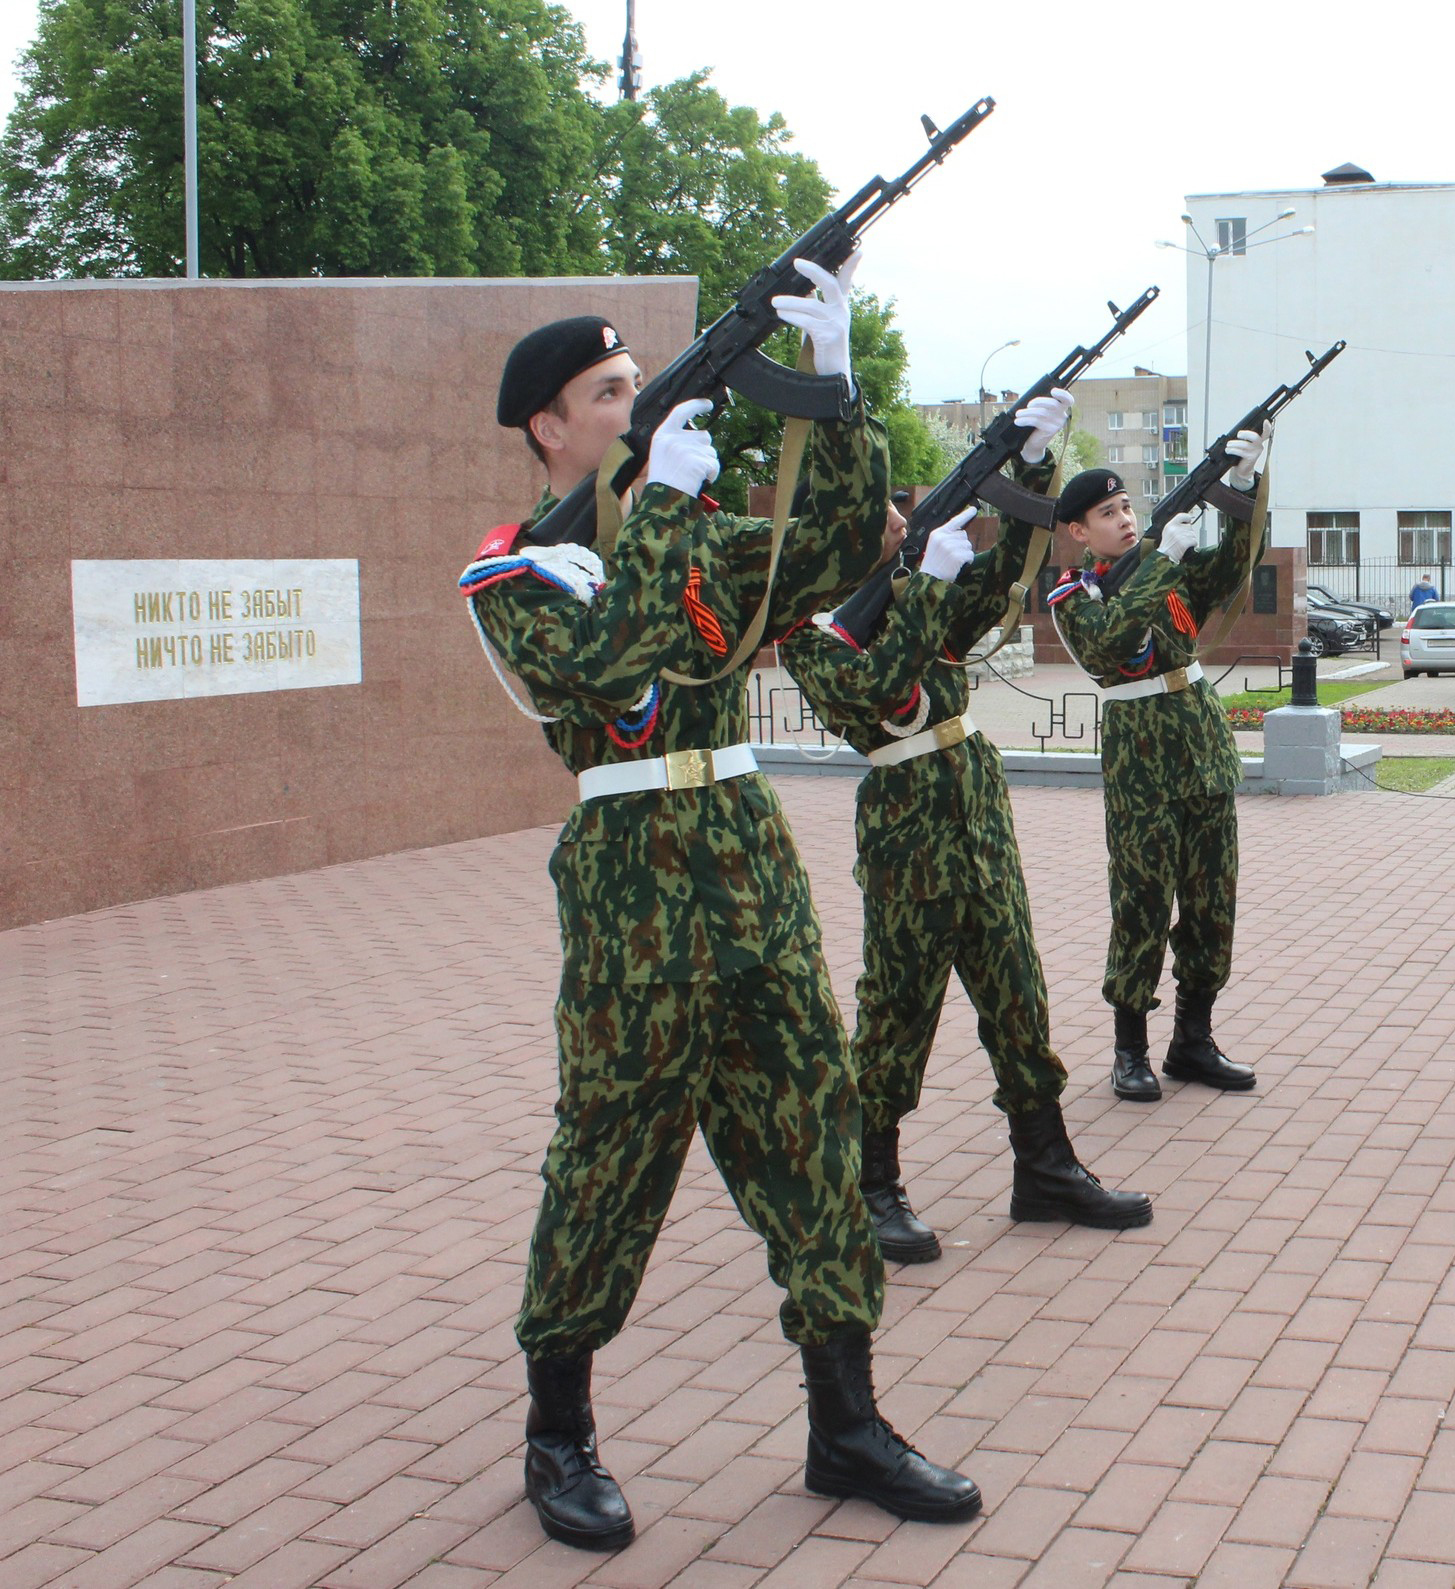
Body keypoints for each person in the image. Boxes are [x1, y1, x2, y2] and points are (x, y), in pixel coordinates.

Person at [459, 260, 980, 1549]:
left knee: (814, 1139)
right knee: (607, 1167)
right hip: (635, 904)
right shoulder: (518, 575)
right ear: (548, 427)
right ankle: (559, 1429)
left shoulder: (684, 526)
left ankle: (846, 1422)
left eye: (639, 381)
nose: (634, 401)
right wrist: (665, 511)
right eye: (609, 390)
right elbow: (599, 662)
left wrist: (835, 394)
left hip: (751, 889)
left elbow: (841, 547)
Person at [778, 388, 1153, 1262]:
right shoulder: (807, 630)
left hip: (976, 814)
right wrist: (923, 589)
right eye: (872, 515)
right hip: (909, 829)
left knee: (1018, 997)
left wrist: (1026, 470)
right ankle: (870, 1185)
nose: (894, 520)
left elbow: (1003, 580)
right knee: (898, 1012)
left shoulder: (917, 587)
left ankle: (1045, 1166)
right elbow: (875, 697)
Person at [1046, 429, 1269, 1100]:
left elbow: (1237, 563)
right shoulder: (1075, 594)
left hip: (1200, 752)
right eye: (1106, 514)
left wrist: (1246, 490)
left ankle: (1192, 1041)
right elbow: (1111, 648)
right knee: (1141, 902)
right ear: (1079, 533)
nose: (1123, 519)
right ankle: (1129, 1048)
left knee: (1210, 903)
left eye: (1125, 508)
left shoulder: (1161, 570)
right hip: (1140, 762)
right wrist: (1157, 564)